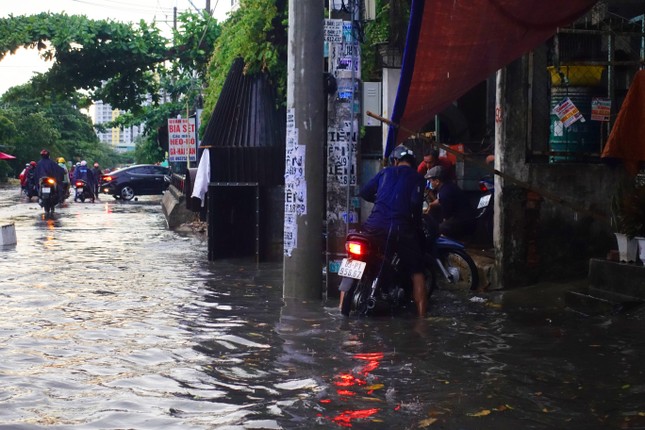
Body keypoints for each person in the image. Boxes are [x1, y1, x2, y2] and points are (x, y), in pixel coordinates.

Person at [341, 144, 428, 317]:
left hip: (373, 226)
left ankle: (341, 307)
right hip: (400, 229)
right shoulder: (418, 178)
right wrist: (417, 229)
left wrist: (381, 198)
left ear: (395, 161)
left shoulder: (384, 172)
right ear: (413, 162)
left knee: (352, 260)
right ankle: (422, 319)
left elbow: (365, 192)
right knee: (417, 271)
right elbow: (415, 206)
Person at [425, 165, 476, 241]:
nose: (430, 183)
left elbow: (446, 215)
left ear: (437, 181)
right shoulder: (447, 187)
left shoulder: (445, 192)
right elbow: (440, 200)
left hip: (464, 222)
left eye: (431, 181)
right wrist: (431, 205)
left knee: (441, 228)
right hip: (465, 217)